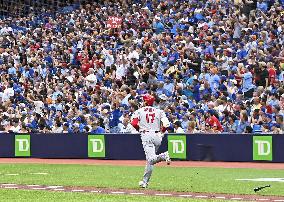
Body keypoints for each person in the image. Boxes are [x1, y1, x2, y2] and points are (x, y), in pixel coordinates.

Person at [131, 94, 171, 188]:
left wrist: (139, 129)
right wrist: (161, 133)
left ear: (145, 102)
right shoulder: (159, 111)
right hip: (157, 135)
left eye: (143, 100)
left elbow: (134, 123)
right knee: (150, 160)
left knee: (150, 159)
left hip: (146, 134)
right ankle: (145, 182)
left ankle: (163, 156)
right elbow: (166, 124)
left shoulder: (139, 111)